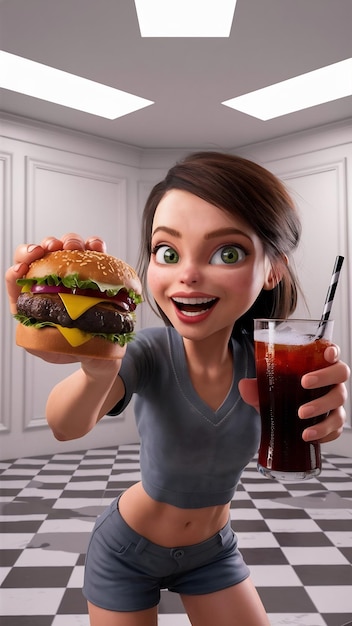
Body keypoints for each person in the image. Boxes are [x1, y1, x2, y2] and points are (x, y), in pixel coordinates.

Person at [6, 152, 349, 626]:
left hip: (213, 552)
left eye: (227, 253)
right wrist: (96, 371)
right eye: (167, 252)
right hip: (126, 550)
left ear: (274, 269)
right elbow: (66, 426)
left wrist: (326, 414)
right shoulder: (146, 351)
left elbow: (308, 416)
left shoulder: (271, 361)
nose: (187, 274)